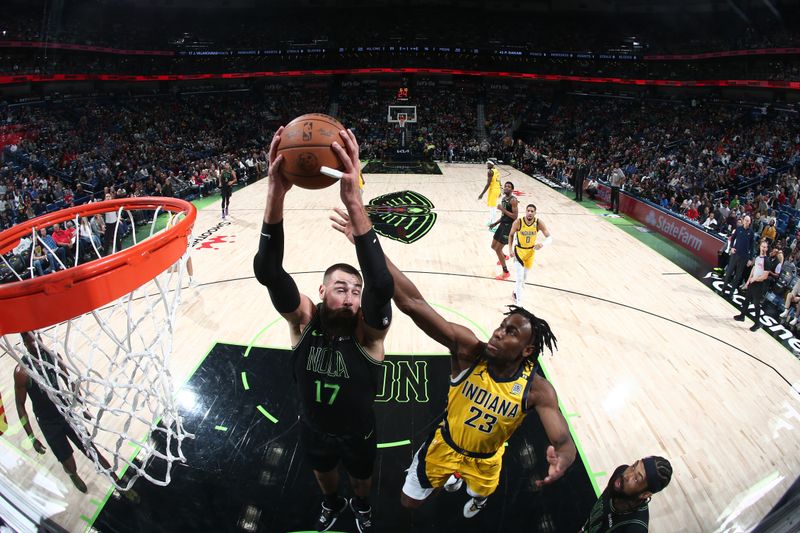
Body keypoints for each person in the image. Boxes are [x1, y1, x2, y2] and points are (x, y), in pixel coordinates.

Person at [329, 210, 575, 519]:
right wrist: (366, 244)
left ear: (527, 350)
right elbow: (411, 303)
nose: (498, 331)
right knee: (409, 503)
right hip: (445, 446)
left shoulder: (537, 390)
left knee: (480, 492)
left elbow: (563, 441)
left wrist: (563, 458)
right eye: (501, 325)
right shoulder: (468, 350)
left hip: (487, 459)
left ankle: (476, 495)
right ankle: (454, 477)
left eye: (510, 332)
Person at [254, 127, 393, 533]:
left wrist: (354, 202)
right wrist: (275, 194)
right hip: (314, 427)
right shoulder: (303, 321)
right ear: (320, 291)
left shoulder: (369, 335)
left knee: (362, 477)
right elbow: (267, 270)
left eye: (355, 291)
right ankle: (332, 503)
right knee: (323, 472)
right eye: (340, 289)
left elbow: (381, 286)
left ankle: (361, 507)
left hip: (359, 431)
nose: (350, 297)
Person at [14, 332, 134, 495]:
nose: (35, 345)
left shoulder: (52, 356)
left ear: (40, 338)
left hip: (65, 412)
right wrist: (32, 437)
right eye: (30, 342)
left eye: (37, 340)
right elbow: (20, 406)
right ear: (24, 344)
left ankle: (117, 481)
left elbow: (70, 383)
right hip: (48, 422)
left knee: (92, 450)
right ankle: (73, 475)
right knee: (69, 464)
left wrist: (82, 407)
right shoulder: (22, 371)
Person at [580, 456, 673, 532]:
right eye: (633, 467)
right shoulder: (620, 473)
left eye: (636, 479)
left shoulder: (635, 529)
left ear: (645, 494)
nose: (627, 475)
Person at [507, 204, 552, 307]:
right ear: (526, 211)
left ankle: (515, 292)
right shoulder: (519, 222)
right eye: (528, 211)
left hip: (530, 252)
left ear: (535, 213)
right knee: (519, 278)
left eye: (532, 211)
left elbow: (550, 238)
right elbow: (511, 234)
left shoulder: (538, 223)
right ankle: (519, 304)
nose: (530, 213)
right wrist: (510, 249)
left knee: (524, 278)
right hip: (519, 251)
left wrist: (542, 244)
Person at [734, 239, 780, 332]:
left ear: (767, 249)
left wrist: (754, 279)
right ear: (760, 247)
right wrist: (748, 281)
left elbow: (765, 276)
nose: (763, 248)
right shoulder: (758, 257)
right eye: (762, 246)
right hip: (752, 282)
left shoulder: (766, 260)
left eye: (765, 247)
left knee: (756, 304)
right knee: (746, 300)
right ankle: (742, 316)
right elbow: (754, 269)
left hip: (759, 285)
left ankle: (757, 323)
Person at [489, 181, 518, 280]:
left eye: (509, 187)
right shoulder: (504, 199)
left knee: (498, 249)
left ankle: (506, 272)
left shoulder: (513, 200)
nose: (506, 187)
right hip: (502, 225)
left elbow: (515, 216)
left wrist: (502, 209)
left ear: (512, 190)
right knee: (493, 246)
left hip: (508, 227)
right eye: (505, 186)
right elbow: (504, 215)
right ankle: (503, 256)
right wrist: (495, 223)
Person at [722, 215, 755, 295]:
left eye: (748, 221)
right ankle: (723, 289)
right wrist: (732, 247)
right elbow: (732, 239)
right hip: (735, 254)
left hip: (744, 257)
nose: (746, 222)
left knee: (738, 276)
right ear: (743, 220)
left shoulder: (751, 233)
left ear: (750, 222)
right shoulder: (739, 229)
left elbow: (752, 246)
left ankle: (731, 292)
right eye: (745, 220)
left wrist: (750, 259)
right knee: (729, 271)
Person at [478, 160, 501, 227]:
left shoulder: (490, 172)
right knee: (493, 207)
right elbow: (499, 181)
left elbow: (488, 184)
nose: (487, 165)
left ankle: (493, 224)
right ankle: (491, 221)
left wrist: (482, 194)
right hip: (497, 189)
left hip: (493, 190)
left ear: (492, 164)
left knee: (492, 208)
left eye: (488, 164)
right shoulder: (496, 170)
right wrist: (500, 190)